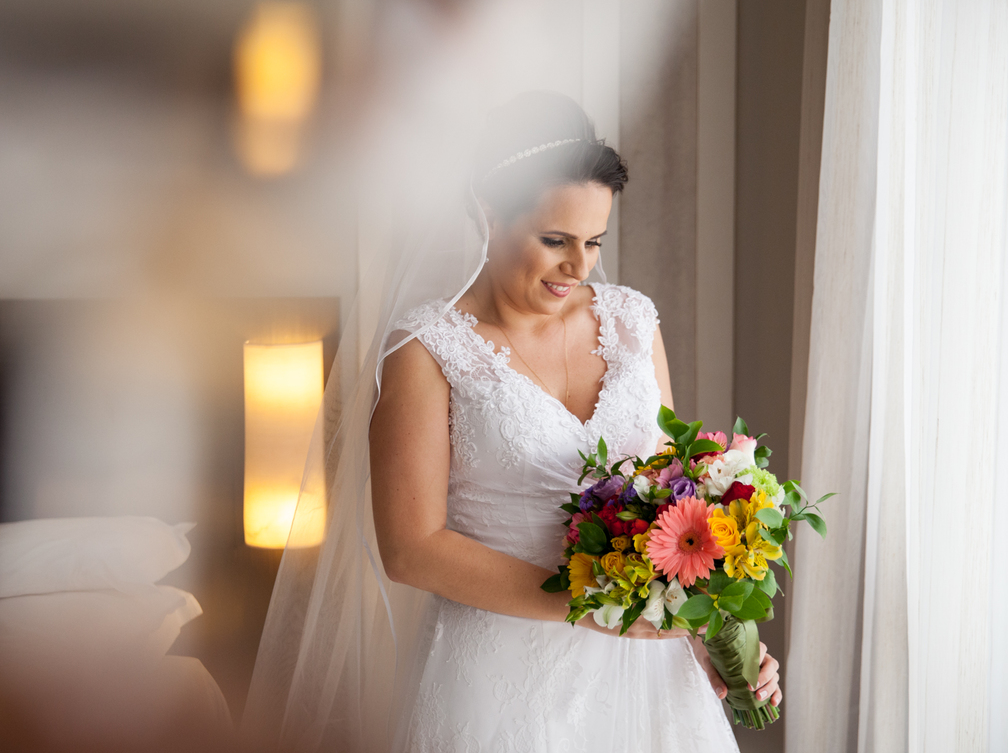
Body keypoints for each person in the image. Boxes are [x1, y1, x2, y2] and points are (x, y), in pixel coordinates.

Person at [243, 91, 781, 753]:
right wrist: (598, 607)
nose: (577, 267)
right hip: (501, 685)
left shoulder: (632, 323)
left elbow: (673, 499)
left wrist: (715, 631)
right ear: (488, 213)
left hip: (650, 677)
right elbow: (411, 549)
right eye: (554, 240)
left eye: (593, 242)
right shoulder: (428, 351)